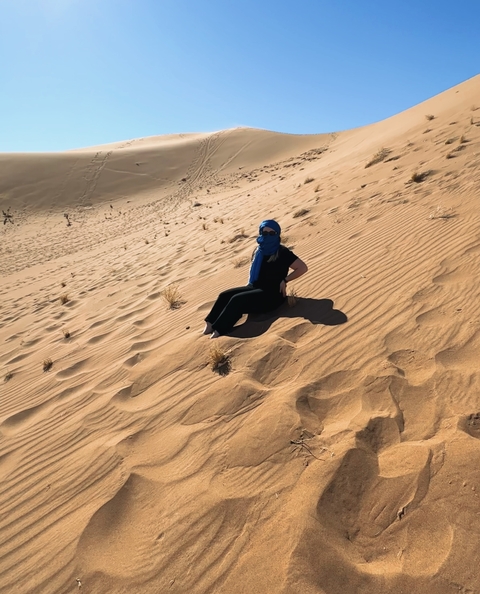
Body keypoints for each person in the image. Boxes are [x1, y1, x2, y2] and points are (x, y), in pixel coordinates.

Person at [203, 219, 308, 338]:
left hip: (272, 295)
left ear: (277, 234)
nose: (268, 236)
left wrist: (285, 280)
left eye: (272, 233)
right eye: (264, 233)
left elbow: (302, 268)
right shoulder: (259, 250)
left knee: (237, 300)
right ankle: (210, 324)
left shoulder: (282, 252)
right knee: (224, 295)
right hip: (254, 287)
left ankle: (220, 330)